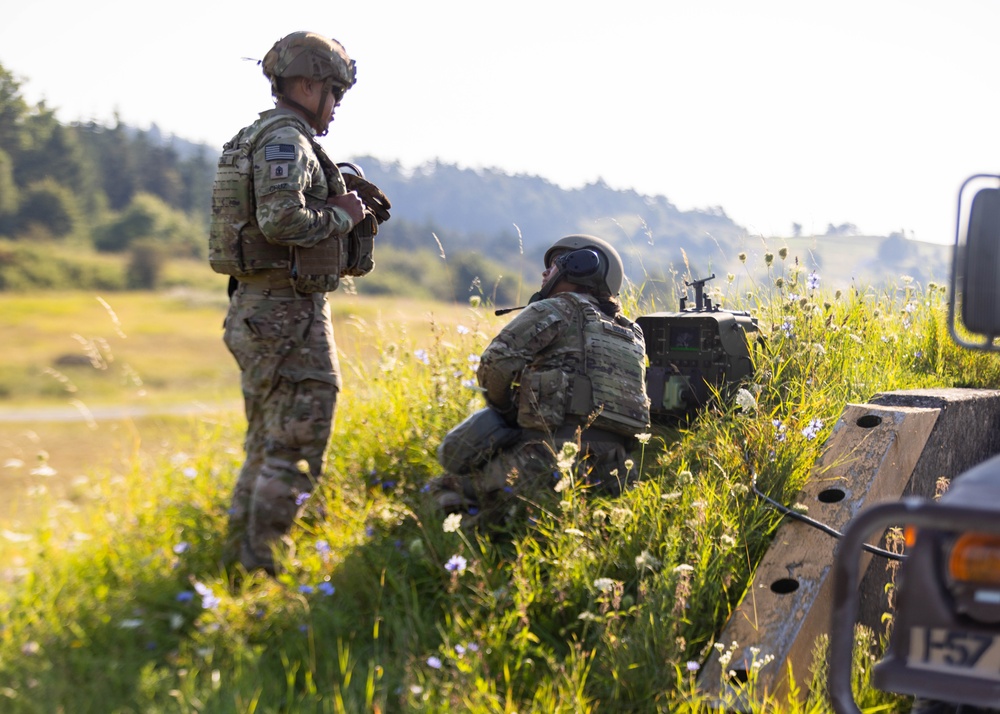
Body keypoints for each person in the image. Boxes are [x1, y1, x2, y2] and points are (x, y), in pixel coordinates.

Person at [209, 31, 390, 574]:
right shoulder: (285, 140)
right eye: (334, 93)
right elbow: (281, 220)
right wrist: (345, 215)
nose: (335, 107)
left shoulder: (260, 135)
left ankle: (239, 563)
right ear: (307, 84)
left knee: (268, 440)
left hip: (262, 307)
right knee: (298, 439)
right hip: (285, 312)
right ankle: (265, 567)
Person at [430, 234, 651, 527]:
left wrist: (505, 411)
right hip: (618, 467)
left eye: (555, 264)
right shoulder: (632, 332)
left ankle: (471, 552)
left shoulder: (556, 308)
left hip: (546, 457)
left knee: (443, 487)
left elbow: (495, 363)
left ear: (581, 266)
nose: (545, 272)